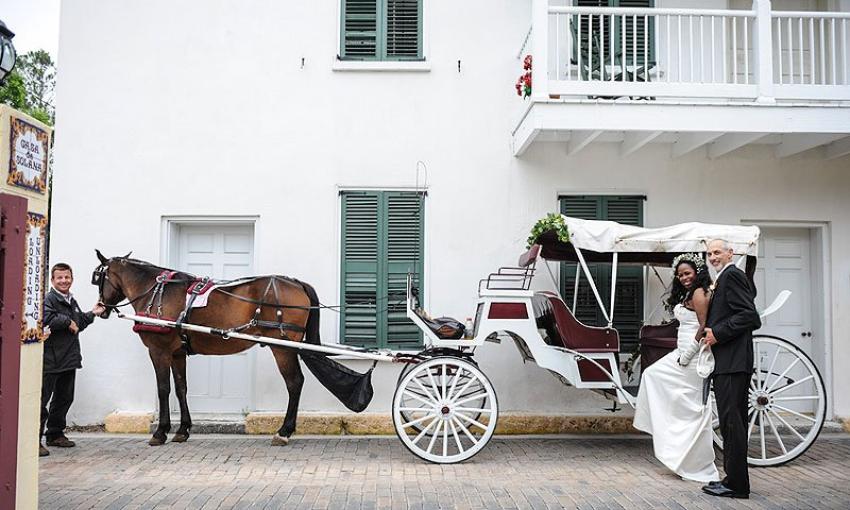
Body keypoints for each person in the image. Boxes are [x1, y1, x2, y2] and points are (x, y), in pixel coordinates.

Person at [633, 253, 719, 483]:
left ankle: (691, 460)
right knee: (652, 376)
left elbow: (703, 326)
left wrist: (688, 354)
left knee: (687, 405)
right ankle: (673, 443)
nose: (683, 278)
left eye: (687, 273)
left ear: (697, 272)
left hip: (690, 356)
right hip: (679, 353)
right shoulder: (688, 293)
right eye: (680, 275)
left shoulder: (700, 293)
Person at [701, 239, 761, 499]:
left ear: (730, 253)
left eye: (717, 252)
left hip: (734, 362)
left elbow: (750, 316)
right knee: (728, 423)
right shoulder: (724, 277)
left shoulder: (732, 276)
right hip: (727, 362)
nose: (713, 257)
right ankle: (731, 479)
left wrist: (718, 334)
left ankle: (737, 486)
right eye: (709, 253)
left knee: (733, 424)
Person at [40, 263, 105, 457]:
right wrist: (67, 321)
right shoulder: (49, 299)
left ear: (72, 278)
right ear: (52, 280)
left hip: (68, 359)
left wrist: (92, 313)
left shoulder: (71, 300)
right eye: (59, 278)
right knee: (41, 401)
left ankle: (55, 434)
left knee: (64, 398)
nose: (64, 281)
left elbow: (79, 324)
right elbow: (45, 318)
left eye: (67, 277)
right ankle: (34, 440)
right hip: (50, 360)